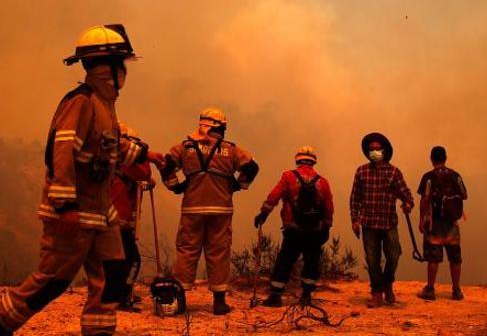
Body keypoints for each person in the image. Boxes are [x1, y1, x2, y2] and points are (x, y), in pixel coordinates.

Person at [0, 24, 163, 336]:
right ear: (108, 68)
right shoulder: (81, 102)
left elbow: (109, 148)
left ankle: (98, 331)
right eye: (122, 66)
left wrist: (148, 156)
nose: (124, 74)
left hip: (102, 215)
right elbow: (60, 152)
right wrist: (64, 206)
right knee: (53, 279)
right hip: (74, 214)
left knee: (113, 276)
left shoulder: (105, 107)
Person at [160, 107, 259, 315]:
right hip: (221, 210)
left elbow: (165, 164)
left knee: (187, 251)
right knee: (219, 252)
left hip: (192, 209)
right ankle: (219, 302)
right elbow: (252, 168)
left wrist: (175, 186)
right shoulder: (231, 149)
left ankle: (178, 300)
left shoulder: (185, 147)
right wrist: (237, 185)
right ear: (219, 127)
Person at [255, 146, 334, 307]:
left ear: (297, 159)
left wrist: (263, 214)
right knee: (312, 261)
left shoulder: (288, 176)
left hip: (293, 228)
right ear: (314, 161)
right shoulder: (323, 181)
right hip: (315, 230)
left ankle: (276, 296)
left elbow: (274, 196)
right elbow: (329, 207)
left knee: (285, 261)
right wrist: (326, 226)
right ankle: (306, 296)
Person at [349, 132, 414, 307]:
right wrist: (355, 220)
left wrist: (408, 204)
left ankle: (388, 283)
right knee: (372, 260)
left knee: (394, 255)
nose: (374, 152)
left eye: (378, 149)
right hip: (369, 223)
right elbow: (355, 198)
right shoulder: (361, 171)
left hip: (389, 222)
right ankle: (377, 293)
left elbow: (407, 195)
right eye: (371, 149)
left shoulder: (394, 172)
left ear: (384, 151)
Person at [106, 123, 155, 312]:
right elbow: (143, 172)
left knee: (112, 260)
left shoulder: (107, 159)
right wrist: (142, 155)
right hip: (118, 220)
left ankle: (112, 295)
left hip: (107, 218)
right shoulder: (124, 161)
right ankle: (121, 296)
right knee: (132, 259)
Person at [417, 146, 467, 301]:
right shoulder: (455, 175)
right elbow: (464, 195)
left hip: (435, 222)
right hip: (452, 222)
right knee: (455, 257)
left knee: (433, 258)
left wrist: (421, 220)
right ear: (445, 157)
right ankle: (456, 290)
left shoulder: (429, 177)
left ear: (431, 158)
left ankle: (430, 289)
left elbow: (424, 200)